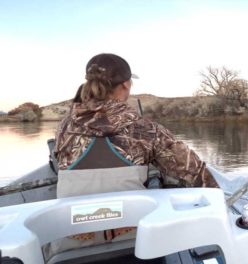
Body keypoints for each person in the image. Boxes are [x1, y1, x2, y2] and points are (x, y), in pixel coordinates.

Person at [45, 53, 219, 260]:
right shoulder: (144, 128)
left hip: (70, 242)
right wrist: (219, 199)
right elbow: (192, 170)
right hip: (132, 241)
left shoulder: (65, 126)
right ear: (126, 84)